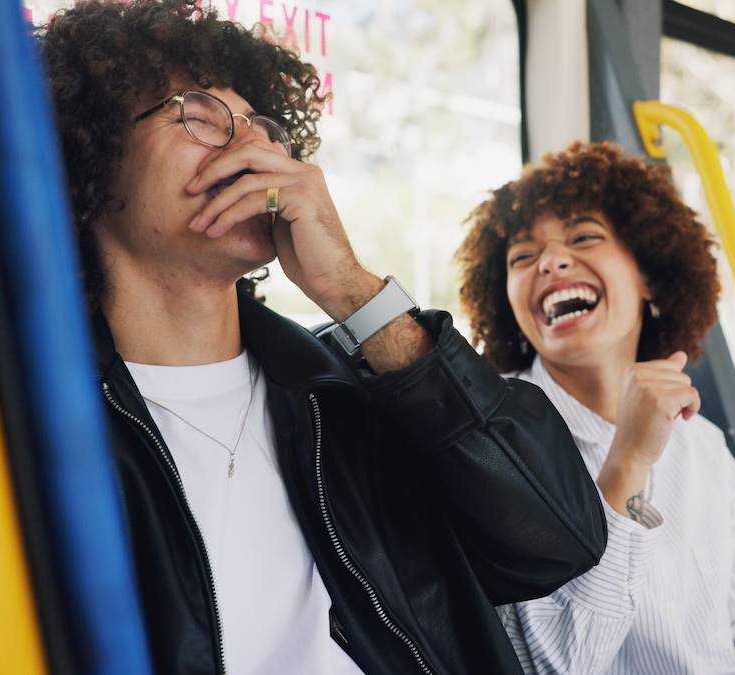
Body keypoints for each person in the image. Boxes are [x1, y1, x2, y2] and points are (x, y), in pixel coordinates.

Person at [37, 2, 608, 673]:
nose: (257, 147)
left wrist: (353, 293)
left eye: (263, 128)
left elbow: (557, 540)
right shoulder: (41, 426)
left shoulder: (350, 394)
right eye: (198, 114)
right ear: (90, 162)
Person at [455, 140, 735, 674]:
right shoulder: (490, 440)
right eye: (523, 256)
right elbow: (554, 665)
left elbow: (733, 625)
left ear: (650, 276)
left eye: (584, 237)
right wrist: (629, 463)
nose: (550, 260)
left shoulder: (703, 442)